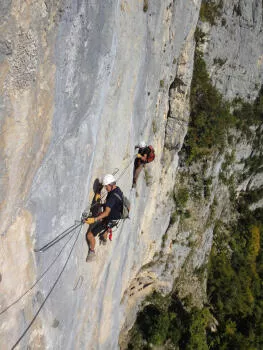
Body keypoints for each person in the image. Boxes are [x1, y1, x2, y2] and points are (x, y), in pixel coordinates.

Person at [85, 174, 124, 262]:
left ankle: (92, 252)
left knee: (89, 235)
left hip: (109, 219)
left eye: (106, 187)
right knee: (106, 222)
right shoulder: (117, 189)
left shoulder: (112, 198)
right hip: (116, 217)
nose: (106, 188)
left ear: (111, 185)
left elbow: (106, 213)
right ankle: (105, 235)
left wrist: (94, 219)